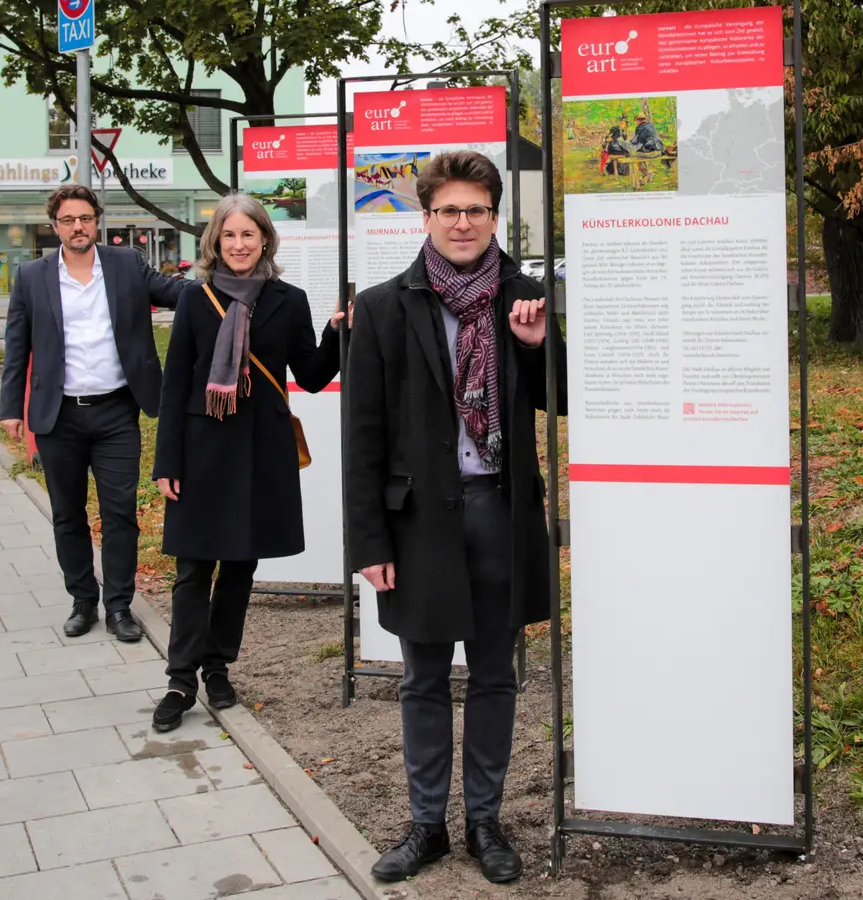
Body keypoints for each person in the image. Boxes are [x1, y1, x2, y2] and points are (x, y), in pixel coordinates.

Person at [344, 151, 567, 885]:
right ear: (427, 216)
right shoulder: (383, 307)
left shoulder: (526, 297)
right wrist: (367, 539)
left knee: (498, 675)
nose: (463, 223)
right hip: (418, 525)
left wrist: (537, 349)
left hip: (500, 511)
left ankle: (485, 822)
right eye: (449, 210)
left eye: (476, 210)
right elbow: (364, 436)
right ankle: (426, 825)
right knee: (423, 677)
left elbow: (561, 399)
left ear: (495, 217)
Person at [150, 192, 345, 733]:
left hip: (261, 450)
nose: (238, 244)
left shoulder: (289, 299)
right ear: (216, 241)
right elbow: (174, 386)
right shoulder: (195, 300)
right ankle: (179, 679)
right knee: (193, 569)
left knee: (240, 567)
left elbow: (307, 375)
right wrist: (167, 461)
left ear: (265, 239)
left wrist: (334, 332)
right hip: (202, 449)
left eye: (248, 235)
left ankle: (218, 668)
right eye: (229, 235)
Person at [0, 184, 185, 642]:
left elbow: (174, 292)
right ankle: (82, 600)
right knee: (67, 514)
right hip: (58, 416)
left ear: (97, 221)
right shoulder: (32, 276)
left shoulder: (125, 264)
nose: (77, 227)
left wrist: (231, 283)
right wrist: (10, 409)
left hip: (116, 412)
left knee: (121, 513)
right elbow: (17, 344)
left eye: (85, 218)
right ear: (55, 226)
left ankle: (119, 605)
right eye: (68, 220)